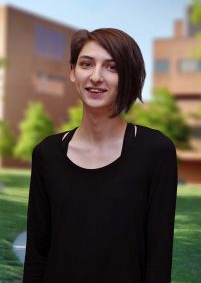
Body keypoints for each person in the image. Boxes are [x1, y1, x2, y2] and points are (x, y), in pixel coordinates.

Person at [22, 28, 178, 283]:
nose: (96, 76)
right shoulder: (46, 153)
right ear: (73, 72)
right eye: (86, 64)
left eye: (111, 67)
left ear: (128, 76)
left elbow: (159, 259)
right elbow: (37, 253)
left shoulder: (156, 151)